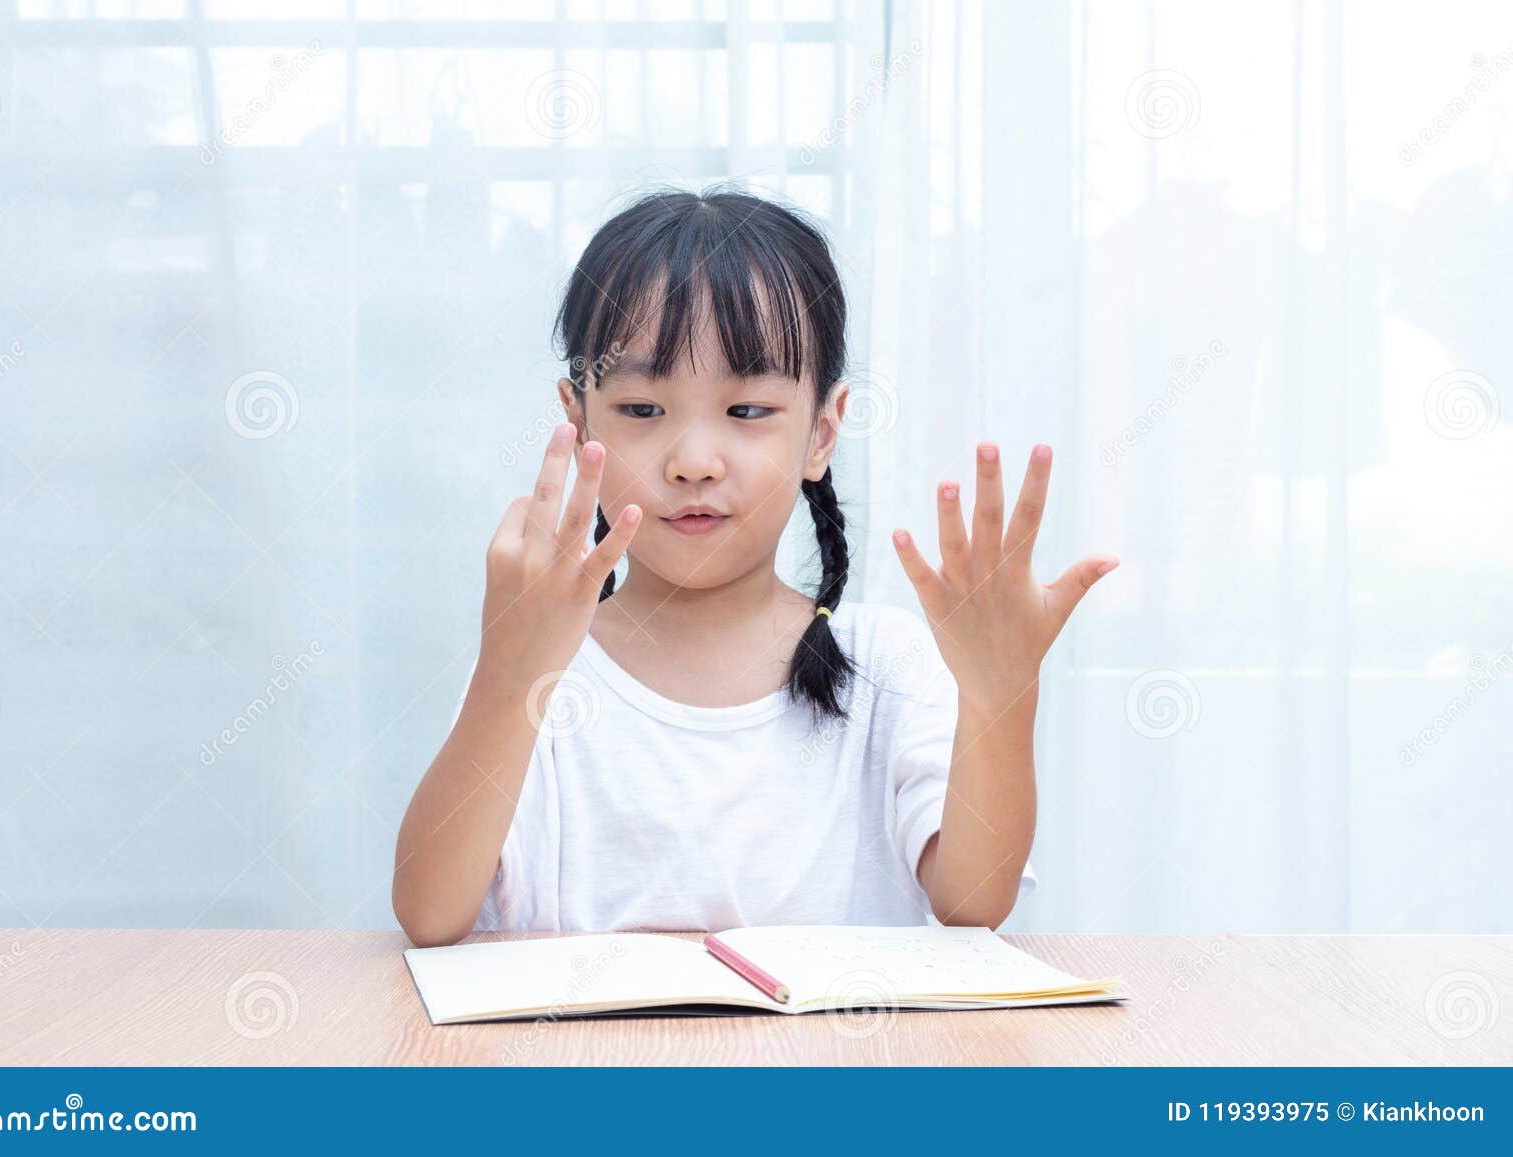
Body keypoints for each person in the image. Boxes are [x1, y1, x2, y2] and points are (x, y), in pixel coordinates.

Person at [393, 185, 1118, 947]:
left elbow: (976, 898)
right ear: (578, 423)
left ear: (822, 433)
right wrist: (508, 679)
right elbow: (430, 913)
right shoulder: (540, 664)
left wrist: (1001, 694)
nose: (695, 462)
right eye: (643, 410)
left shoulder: (883, 663)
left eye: (746, 412)